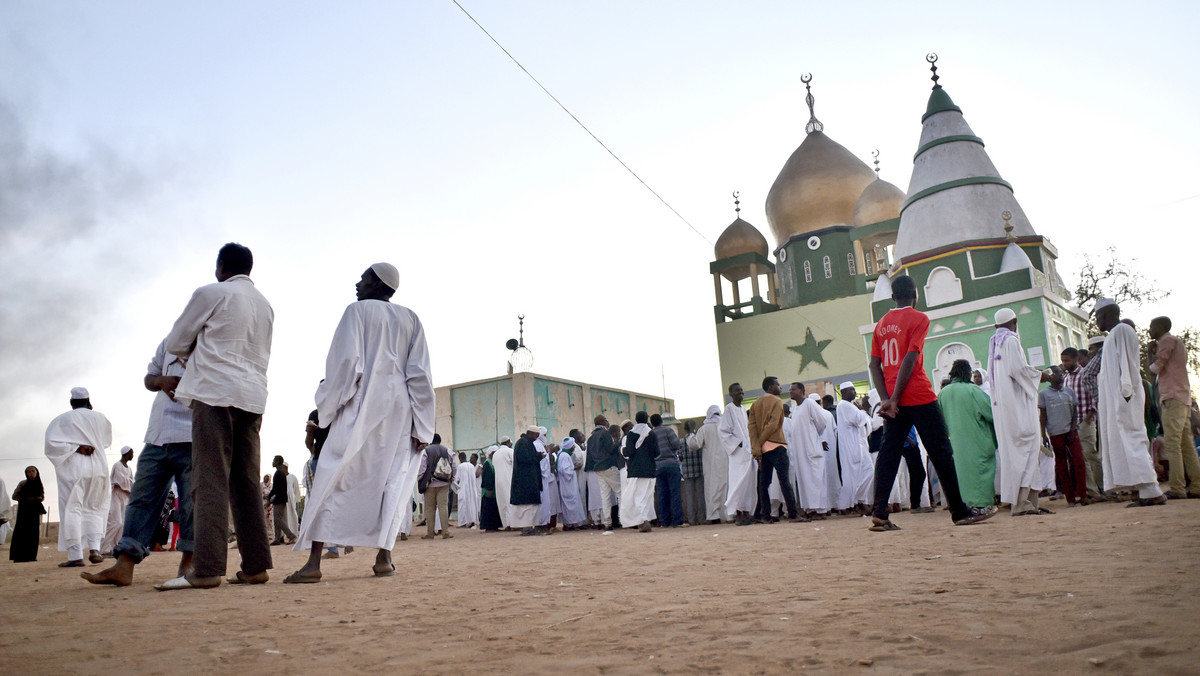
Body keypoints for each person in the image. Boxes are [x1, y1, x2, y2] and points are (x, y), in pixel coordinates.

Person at [287, 263, 435, 582]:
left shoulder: (356, 312)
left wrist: (327, 405)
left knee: (332, 473)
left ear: (379, 284)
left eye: (364, 278)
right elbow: (420, 375)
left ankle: (314, 564)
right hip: (400, 409)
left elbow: (346, 365)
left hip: (361, 402)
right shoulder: (411, 319)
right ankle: (383, 559)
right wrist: (422, 425)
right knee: (391, 481)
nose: (358, 283)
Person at [157, 242, 273, 590]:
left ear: (222, 266)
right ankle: (255, 566)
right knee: (246, 481)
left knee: (209, 480)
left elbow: (175, 342)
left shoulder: (211, 292)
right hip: (252, 397)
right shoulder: (265, 305)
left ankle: (207, 569)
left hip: (215, 393)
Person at [867, 274, 996, 531]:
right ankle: (959, 511)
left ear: (893, 296)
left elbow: (874, 364)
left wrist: (887, 399)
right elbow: (911, 357)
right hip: (918, 395)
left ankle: (879, 512)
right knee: (941, 451)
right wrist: (894, 398)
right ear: (916, 295)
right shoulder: (919, 318)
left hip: (894, 399)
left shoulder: (881, 324)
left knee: (889, 453)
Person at [83, 339, 197, 586]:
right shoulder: (169, 343)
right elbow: (149, 378)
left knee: (191, 501)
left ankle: (190, 561)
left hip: (193, 435)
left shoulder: (212, 343)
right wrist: (160, 382)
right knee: (141, 499)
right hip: (157, 435)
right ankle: (124, 564)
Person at [1093, 299, 1167, 507]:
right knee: (1126, 443)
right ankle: (1144, 491)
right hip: (1118, 398)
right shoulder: (1113, 336)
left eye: (1098, 317)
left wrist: (1125, 392)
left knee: (1133, 440)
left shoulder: (1122, 330)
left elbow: (1126, 364)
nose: (1097, 321)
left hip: (1124, 397)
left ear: (1107, 315)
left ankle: (1152, 492)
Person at [988, 308, 1053, 516]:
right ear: (1015, 322)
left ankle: (1028, 502)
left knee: (1016, 454)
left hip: (1005, 411)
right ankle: (1022, 503)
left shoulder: (994, 343)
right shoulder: (1011, 341)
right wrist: (1042, 376)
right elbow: (1018, 370)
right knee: (1027, 450)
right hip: (1018, 409)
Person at [45, 387, 112, 567]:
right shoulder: (100, 417)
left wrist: (76, 447)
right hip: (98, 466)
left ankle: (75, 555)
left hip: (74, 468)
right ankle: (95, 549)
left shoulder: (62, 419)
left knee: (72, 508)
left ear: (71, 402)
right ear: (88, 401)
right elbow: (106, 442)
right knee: (95, 506)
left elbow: (51, 445)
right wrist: (89, 443)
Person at [1148, 316, 1200, 498]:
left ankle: (1177, 488)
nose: (1149, 330)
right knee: (1186, 444)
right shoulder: (1176, 341)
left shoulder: (1167, 341)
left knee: (1173, 444)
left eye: (1151, 327)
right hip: (1182, 397)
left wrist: (1150, 354)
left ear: (1161, 327)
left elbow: (1155, 368)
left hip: (1173, 397)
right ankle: (1196, 486)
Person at [937, 360, 998, 508]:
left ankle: (963, 505)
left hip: (955, 444)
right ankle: (981, 504)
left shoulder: (943, 393)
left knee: (961, 474)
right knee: (979, 473)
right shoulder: (973, 391)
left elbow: (939, 419)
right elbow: (991, 413)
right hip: (977, 442)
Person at [748, 377, 800, 522]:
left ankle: (766, 516)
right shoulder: (777, 402)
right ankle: (793, 514)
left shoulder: (755, 404)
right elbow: (772, 425)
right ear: (771, 387)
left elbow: (751, 428)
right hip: (777, 445)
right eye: (778, 384)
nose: (780, 387)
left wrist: (757, 446)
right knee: (784, 481)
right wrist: (761, 441)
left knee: (764, 484)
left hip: (763, 450)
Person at [1039, 367, 1089, 506]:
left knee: (1079, 461)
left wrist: (1073, 430)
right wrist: (1043, 434)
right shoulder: (1044, 394)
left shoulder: (1069, 391)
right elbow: (1043, 416)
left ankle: (1083, 494)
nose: (1059, 376)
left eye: (1061, 374)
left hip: (1071, 432)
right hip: (1055, 433)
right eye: (1056, 374)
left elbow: (1074, 412)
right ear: (1050, 377)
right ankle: (1070, 497)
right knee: (1061, 464)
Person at [835, 383, 880, 514]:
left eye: (854, 389)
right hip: (852, 447)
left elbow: (869, 423)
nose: (854, 392)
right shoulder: (844, 406)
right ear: (843, 392)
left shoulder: (850, 406)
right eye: (851, 390)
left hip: (859, 446)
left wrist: (863, 414)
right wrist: (864, 411)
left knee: (865, 473)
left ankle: (856, 502)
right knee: (860, 474)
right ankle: (854, 503)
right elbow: (860, 420)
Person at [786, 382, 827, 520]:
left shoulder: (810, 404)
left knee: (815, 479)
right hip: (799, 452)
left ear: (802, 390)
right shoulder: (795, 409)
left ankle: (819, 510)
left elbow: (821, 423)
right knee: (805, 480)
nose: (791, 392)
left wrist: (813, 438)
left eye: (793, 390)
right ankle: (809, 509)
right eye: (790, 390)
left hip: (811, 449)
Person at [718, 384, 755, 526]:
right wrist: (737, 443)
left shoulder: (742, 410)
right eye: (737, 390)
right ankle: (738, 513)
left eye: (741, 390)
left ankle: (746, 512)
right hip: (737, 454)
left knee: (748, 484)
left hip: (748, 452)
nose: (740, 392)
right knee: (738, 483)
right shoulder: (729, 409)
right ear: (731, 394)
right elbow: (723, 432)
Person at [688, 406, 729, 524]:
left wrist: (691, 432)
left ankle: (714, 516)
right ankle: (726, 516)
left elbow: (694, 445)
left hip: (711, 465)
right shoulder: (725, 427)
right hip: (726, 463)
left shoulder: (704, 429)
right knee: (725, 489)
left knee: (712, 489)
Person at [621, 411, 658, 532]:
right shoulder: (651, 433)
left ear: (636, 420)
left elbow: (629, 452)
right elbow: (657, 452)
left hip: (636, 470)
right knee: (647, 496)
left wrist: (622, 450)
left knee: (638, 496)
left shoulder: (631, 434)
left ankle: (643, 520)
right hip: (650, 470)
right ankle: (645, 518)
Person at [585, 415, 622, 532]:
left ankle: (607, 523)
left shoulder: (590, 438)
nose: (608, 422)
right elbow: (610, 450)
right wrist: (618, 443)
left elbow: (589, 457)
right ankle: (624, 519)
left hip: (598, 469)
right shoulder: (605, 433)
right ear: (602, 422)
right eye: (606, 420)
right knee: (620, 493)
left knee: (605, 497)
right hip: (609, 466)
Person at [648, 413, 686, 528]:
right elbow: (676, 444)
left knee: (661, 494)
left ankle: (664, 521)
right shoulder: (668, 431)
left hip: (657, 467)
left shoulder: (650, 434)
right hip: (671, 464)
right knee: (675, 493)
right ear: (661, 421)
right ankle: (677, 520)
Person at [418, 436, 456, 540]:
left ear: (430, 441)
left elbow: (422, 468)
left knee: (430, 509)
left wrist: (420, 479)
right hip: (444, 483)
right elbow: (453, 466)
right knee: (443, 507)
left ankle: (430, 533)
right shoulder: (447, 450)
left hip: (430, 484)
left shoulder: (426, 451)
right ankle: (445, 532)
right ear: (440, 440)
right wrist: (451, 478)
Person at [100, 446, 135, 556]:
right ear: (126, 453)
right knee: (116, 522)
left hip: (125, 497)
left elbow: (131, 482)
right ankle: (104, 548)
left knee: (122, 524)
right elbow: (120, 481)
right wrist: (129, 483)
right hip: (116, 495)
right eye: (131, 453)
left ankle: (116, 548)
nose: (132, 455)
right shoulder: (117, 466)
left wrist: (129, 484)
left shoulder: (129, 469)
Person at [510, 427, 544, 536]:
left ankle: (529, 527)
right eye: (536, 435)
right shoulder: (523, 443)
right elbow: (526, 459)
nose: (537, 437)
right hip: (525, 481)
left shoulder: (526, 443)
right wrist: (539, 456)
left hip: (528, 479)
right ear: (530, 433)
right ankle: (527, 528)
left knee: (531, 505)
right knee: (527, 505)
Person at [9, 466, 46, 562]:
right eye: (29, 472)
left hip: (34, 512)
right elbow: (14, 496)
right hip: (24, 512)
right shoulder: (23, 483)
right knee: (22, 532)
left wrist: (37, 498)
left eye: (33, 471)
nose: (31, 473)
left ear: (37, 472)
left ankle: (31, 556)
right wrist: (26, 499)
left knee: (33, 533)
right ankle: (19, 557)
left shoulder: (39, 484)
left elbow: (42, 496)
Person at [556, 437, 587, 529]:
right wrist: (574, 469)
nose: (574, 447)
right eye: (573, 445)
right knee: (570, 502)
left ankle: (572, 523)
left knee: (571, 502)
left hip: (569, 483)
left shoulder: (565, 454)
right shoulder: (564, 455)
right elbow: (564, 470)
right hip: (567, 483)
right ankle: (569, 524)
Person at [679, 420, 706, 525]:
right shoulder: (699, 439)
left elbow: (680, 457)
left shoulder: (681, 441)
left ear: (685, 429)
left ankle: (691, 520)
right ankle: (702, 518)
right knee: (700, 496)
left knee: (689, 497)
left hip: (687, 472)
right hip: (699, 470)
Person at [269, 456, 296, 544]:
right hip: (280, 499)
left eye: (274, 460)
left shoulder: (279, 473)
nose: (273, 462)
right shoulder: (280, 472)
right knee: (277, 519)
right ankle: (277, 539)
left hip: (279, 499)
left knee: (278, 519)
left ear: (278, 461)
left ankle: (290, 535)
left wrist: (269, 497)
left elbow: (276, 489)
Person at [493, 436, 515, 530]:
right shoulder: (510, 451)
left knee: (502, 502)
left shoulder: (495, 454)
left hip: (498, 481)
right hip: (508, 479)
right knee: (509, 501)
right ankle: (512, 524)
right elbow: (515, 465)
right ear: (508, 443)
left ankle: (506, 524)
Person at [454, 452, 480, 528]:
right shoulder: (472, 466)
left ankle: (462, 522)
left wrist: (456, 488)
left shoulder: (460, 466)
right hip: (472, 489)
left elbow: (456, 479)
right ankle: (472, 520)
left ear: (460, 458)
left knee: (463, 505)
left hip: (463, 489)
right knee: (471, 505)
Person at [479, 446, 503, 532]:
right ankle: (488, 527)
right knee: (488, 509)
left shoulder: (493, 462)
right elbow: (487, 477)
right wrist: (489, 489)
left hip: (493, 491)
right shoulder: (487, 463)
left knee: (494, 509)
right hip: (489, 491)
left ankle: (494, 526)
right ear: (491, 454)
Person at [262, 474, 274, 539]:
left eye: (267, 477)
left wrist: (269, 498)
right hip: (263, 504)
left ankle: (271, 534)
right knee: (264, 519)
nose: (265, 478)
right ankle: (265, 534)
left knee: (270, 519)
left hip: (270, 505)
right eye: (264, 477)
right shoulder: (261, 485)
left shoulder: (272, 485)